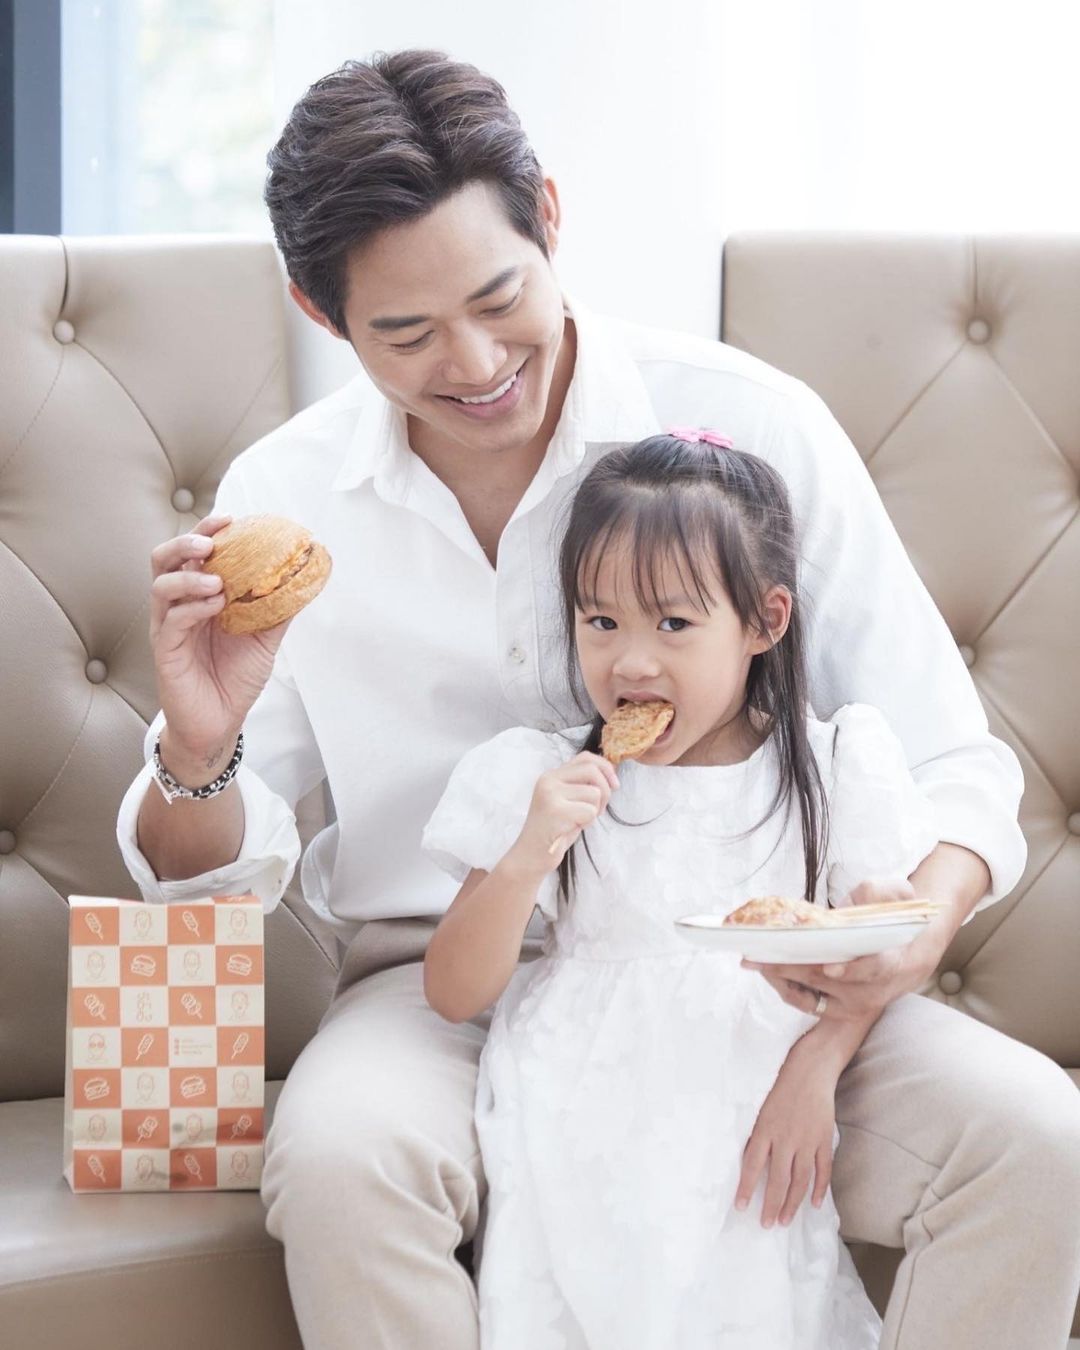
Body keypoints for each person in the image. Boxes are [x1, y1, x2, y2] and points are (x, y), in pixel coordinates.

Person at [115, 49, 1080, 1350]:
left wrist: (905, 941)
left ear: (552, 219)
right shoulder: (284, 497)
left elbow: (954, 762)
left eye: (499, 297)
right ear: (319, 312)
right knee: (344, 1165)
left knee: (1037, 1144)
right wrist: (200, 739)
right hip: (442, 977)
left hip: (750, 974)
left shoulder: (750, 424)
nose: (474, 364)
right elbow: (201, 895)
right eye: (406, 333)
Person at [422, 431, 937, 1347]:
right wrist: (527, 855)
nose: (631, 663)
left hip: (757, 1098)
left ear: (764, 623)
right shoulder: (539, 776)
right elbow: (453, 990)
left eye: (673, 624)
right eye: (600, 622)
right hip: (582, 1111)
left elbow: (880, 950)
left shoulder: (833, 764)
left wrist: (822, 1060)